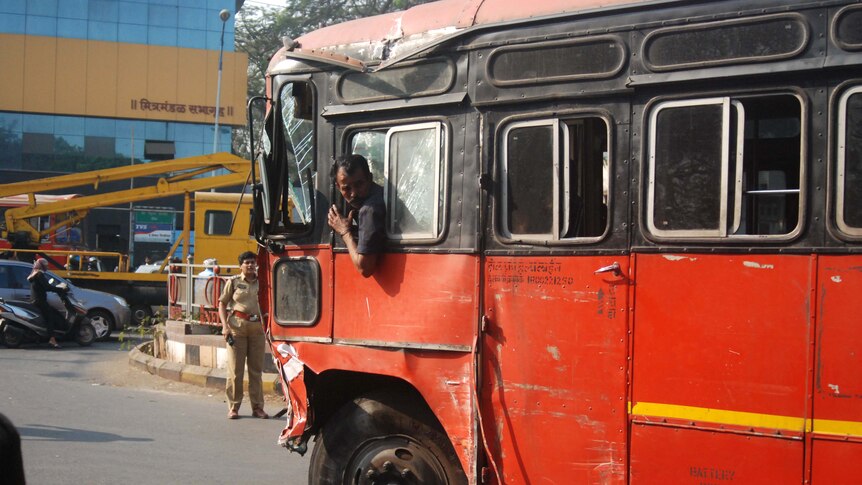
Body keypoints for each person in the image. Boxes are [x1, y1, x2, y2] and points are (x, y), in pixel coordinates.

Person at [218, 251, 268, 420]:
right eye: (247, 262)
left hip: (257, 329)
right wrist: (225, 327)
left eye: (253, 262)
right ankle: (233, 407)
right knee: (235, 371)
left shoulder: (264, 282)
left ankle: (258, 407)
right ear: (241, 265)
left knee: (256, 371)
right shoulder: (233, 282)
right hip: (237, 328)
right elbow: (222, 304)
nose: (250, 265)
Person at [327, 154, 386, 277]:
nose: (353, 194)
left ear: (370, 178)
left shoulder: (369, 210)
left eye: (359, 185)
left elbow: (365, 269)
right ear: (338, 187)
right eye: (346, 188)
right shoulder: (381, 194)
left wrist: (345, 232)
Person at [27, 258, 64, 349]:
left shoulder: (34, 274)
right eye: (46, 265)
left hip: (35, 300)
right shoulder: (39, 274)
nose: (47, 267)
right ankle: (52, 339)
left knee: (48, 315)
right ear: (42, 266)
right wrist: (60, 289)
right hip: (40, 301)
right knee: (50, 317)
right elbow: (47, 287)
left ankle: (39, 337)